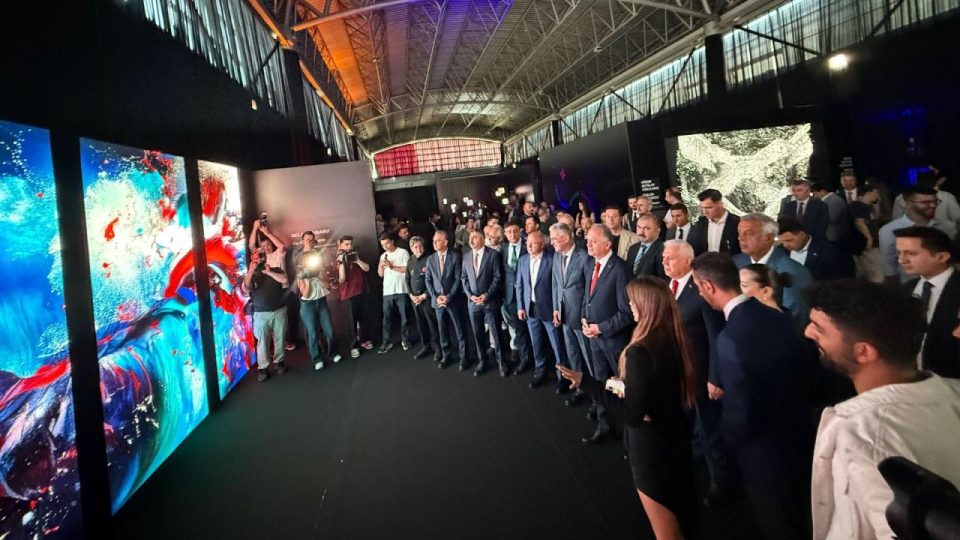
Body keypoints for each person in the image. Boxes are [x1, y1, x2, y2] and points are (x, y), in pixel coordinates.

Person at [803, 280, 960, 540]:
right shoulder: (954, 391)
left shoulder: (865, 434)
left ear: (864, 352)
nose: (808, 332)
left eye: (819, 328)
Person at [558, 277, 700, 539]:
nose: (629, 306)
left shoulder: (639, 352)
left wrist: (586, 383)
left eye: (633, 301)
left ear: (646, 306)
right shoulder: (675, 338)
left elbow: (631, 414)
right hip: (675, 437)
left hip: (651, 448)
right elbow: (659, 391)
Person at [692, 252, 813, 540]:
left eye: (698, 287)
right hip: (800, 439)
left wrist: (727, 440)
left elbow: (741, 413)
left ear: (709, 286)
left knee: (779, 524)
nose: (699, 293)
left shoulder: (730, 338)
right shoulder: (777, 316)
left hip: (764, 457)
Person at [661, 240, 729, 504]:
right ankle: (694, 457)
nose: (664, 262)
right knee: (687, 422)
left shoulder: (701, 289)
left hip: (701, 374)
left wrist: (715, 376)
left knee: (710, 430)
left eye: (670, 258)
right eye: (664, 258)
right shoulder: (668, 286)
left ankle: (720, 482)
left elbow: (715, 337)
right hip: (678, 369)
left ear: (688, 261)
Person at [581, 225, 633, 444]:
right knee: (600, 384)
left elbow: (626, 313)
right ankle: (605, 427)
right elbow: (588, 298)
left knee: (623, 389)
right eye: (587, 240)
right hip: (594, 338)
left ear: (608, 244)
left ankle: (630, 439)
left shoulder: (620, 269)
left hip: (614, 342)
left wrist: (600, 328)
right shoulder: (590, 263)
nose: (588, 244)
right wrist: (584, 319)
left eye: (593, 241)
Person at [895, 226, 960, 377]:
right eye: (899, 253)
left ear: (942, 257)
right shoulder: (907, 289)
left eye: (911, 253)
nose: (901, 260)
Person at [732, 213, 813, 324]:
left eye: (749, 233)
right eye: (739, 233)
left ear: (769, 238)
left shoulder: (794, 271)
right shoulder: (736, 262)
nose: (740, 238)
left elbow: (795, 318)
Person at [550, 222, 592, 405]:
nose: (551, 242)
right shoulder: (556, 256)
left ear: (566, 238)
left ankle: (595, 395)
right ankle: (580, 388)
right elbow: (556, 285)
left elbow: (589, 291)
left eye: (554, 239)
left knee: (588, 357)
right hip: (564, 316)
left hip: (582, 318)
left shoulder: (584, 257)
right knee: (573, 353)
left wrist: (584, 315)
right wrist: (556, 309)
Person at [879, 185, 955, 283]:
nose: (933, 205)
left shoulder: (947, 228)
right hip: (908, 284)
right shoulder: (889, 230)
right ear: (908, 204)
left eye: (935, 201)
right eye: (925, 202)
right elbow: (888, 266)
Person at [516, 231, 563, 388]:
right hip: (530, 309)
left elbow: (557, 287)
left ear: (542, 245)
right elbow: (520, 285)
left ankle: (562, 376)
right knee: (536, 344)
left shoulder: (552, 259)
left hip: (549, 310)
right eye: (527, 243)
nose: (529, 246)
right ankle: (540, 371)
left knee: (557, 345)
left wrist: (557, 309)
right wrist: (521, 306)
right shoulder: (523, 260)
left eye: (533, 243)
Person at [245, 220, 290, 381]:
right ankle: (263, 367)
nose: (265, 249)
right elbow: (246, 287)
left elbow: (284, 279)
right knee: (262, 341)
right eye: (262, 248)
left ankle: (279, 362)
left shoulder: (276, 261)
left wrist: (267, 233)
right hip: (262, 311)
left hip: (279, 299)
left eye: (267, 246)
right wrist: (254, 228)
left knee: (280, 337)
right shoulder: (255, 270)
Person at [461, 230, 507, 377]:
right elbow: (464, 278)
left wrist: (486, 295)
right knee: (478, 334)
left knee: (496, 334)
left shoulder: (493, 255)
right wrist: (470, 295)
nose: (471, 240)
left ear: (482, 239)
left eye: (474, 237)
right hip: (473, 303)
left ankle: (501, 362)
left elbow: (497, 278)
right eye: (470, 238)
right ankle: (483, 361)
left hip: (490, 301)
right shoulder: (466, 256)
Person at [425, 230, 469, 370]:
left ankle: (464, 357)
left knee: (459, 329)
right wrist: (435, 297)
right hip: (438, 301)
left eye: (438, 240)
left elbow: (458, 279)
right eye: (434, 241)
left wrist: (448, 297)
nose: (435, 243)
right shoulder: (430, 259)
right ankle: (446, 355)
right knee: (442, 330)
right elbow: (428, 280)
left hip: (454, 300)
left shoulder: (455, 256)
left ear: (445, 242)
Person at [295, 231, 340, 370]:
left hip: (321, 302)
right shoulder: (300, 270)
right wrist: (308, 279)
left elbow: (327, 285)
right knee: (313, 333)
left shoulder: (319, 266)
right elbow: (304, 294)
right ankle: (317, 359)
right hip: (307, 305)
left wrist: (317, 276)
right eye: (307, 239)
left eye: (311, 239)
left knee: (329, 330)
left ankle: (333, 353)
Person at [777, 217, 855, 280]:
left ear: (802, 234)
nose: (785, 245)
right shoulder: (779, 252)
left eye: (789, 240)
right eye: (782, 241)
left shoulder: (828, 252)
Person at [501, 221, 533, 371]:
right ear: (505, 234)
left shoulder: (528, 246)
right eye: (509, 232)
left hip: (528, 294)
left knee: (532, 329)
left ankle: (536, 358)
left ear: (520, 231)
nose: (512, 234)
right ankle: (524, 359)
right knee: (518, 330)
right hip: (510, 296)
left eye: (515, 231)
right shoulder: (503, 249)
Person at [336, 235, 374, 357]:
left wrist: (357, 260)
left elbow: (367, 268)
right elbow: (341, 279)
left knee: (364, 318)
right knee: (351, 323)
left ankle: (365, 340)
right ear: (340, 245)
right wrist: (341, 262)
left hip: (361, 291)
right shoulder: (337, 259)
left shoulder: (357, 255)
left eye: (350, 244)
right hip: (348, 295)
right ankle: (353, 346)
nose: (349, 246)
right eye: (346, 244)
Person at [406, 236, 440, 362]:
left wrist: (424, 295)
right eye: (415, 247)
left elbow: (433, 280)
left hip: (427, 298)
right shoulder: (410, 260)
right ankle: (426, 347)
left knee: (433, 325)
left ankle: (439, 348)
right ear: (411, 248)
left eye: (420, 246)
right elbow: (407, 279)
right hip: (414, 299)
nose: (418, 249)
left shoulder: (429, 259)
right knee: (421, 325)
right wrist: (411, 295)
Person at [377, 232, 411, 354]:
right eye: (382, 245)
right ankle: (386, 342)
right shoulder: (383, 256)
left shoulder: (403, 252)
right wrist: (381, 266)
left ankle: (405, 340)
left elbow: (407, 269)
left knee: (404, 318)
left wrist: (392, 267)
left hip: (401, 289)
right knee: (386, 319)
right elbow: (380, 274)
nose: (385, 246)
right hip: (387, 291)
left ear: (392, 241)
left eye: (387, 243)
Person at [892, 174, 960, 227]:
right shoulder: (947, 196)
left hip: (912, 236)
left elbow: (896, 219)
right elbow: (958, 217)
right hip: (943, 237)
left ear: (916, 182)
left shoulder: (901, 198)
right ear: (936, 184)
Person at [688, 189, 740, 256]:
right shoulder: (700, 224)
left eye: (709, 208)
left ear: (720, 204)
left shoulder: (737, 223)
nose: (705, 212)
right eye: (702, 208)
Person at [848, 183, 883, 282]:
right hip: (865, 245)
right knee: (876, 272)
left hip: (859, 245)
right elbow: (859, 222)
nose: (877, 195)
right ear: (868, 193)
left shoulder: (866, 206)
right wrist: (869, 238)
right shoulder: (860, 206)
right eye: (876, 193)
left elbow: (874, 218)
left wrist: (876, 205)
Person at [811, 181, 853, 246]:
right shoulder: (831, 199)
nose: (815, 196)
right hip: (833, 235)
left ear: (823, 191)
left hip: (833, 235)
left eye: (816, 194)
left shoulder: (832, 201)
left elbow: (833, 219)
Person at [625, 214, 666, 279]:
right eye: (639, 227)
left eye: (646, 228)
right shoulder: (632, 248)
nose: (641, 232)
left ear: (657, 231)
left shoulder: (664, 250)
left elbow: (662, 279)